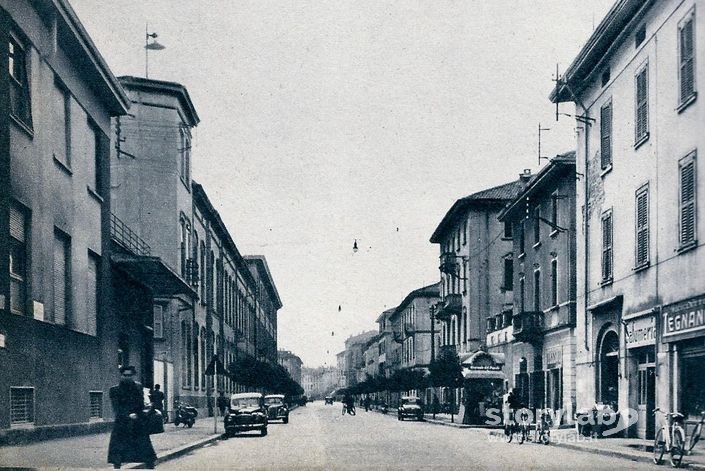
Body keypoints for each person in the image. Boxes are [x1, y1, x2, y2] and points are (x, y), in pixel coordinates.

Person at [108, 366, 157, 469]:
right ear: (121, 376)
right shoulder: (115, 390)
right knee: (119, 448)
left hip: (138, 422)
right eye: (124, 375)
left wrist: (145, 410)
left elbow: (142, 402)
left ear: (133, 375)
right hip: (122, 422)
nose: (127, 377)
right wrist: (127, 415)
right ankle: (117, 466)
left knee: (145, 447)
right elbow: (116, 407)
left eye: (129, 375)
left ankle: (150, 466)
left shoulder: (138, 387)